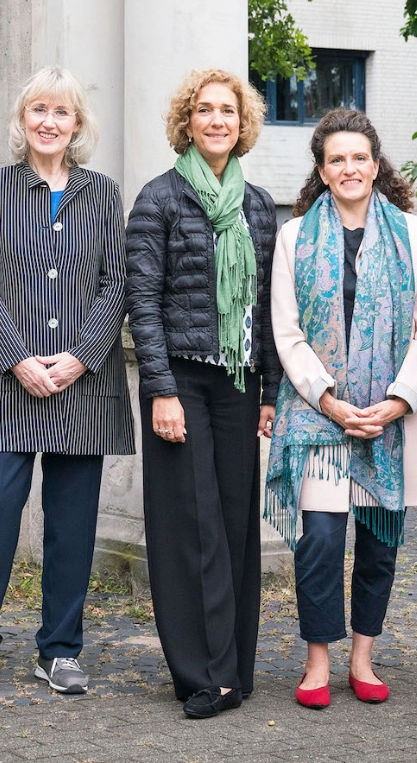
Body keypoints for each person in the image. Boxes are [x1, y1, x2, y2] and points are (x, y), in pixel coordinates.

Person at [0, 67, 134, 699]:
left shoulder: (104, 194)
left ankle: (59, 649)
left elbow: (118, 284)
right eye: (38, 110)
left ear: (77, 125)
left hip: (82, 386)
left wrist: (82, 356)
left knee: (72, 522)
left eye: (62, 112)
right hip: (8, 385)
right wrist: (16, 357)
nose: (49, 122)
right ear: (21, 121)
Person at [264, 108, 417, 710]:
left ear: (376, 166)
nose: (349, 167)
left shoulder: (412, 234)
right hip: (318, 416)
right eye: (336, 158)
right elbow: (286, 332)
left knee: (378, 543)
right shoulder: (294, 237)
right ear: (321, 169)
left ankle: (362, 658)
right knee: (319, 540)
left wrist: (395, 403)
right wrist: (328, 399)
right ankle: (317, 660)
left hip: (387, 420)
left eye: (359, 158)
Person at [124, 68, 280, 720]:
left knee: (238, 526)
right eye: (205, 111)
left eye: (228, 111)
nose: (217, 121)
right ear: (186, 124)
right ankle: (201, 673)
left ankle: (234, 667)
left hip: (240, 383)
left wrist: (270, 391)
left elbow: (268, 304)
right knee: (193, 527)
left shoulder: (260, 204)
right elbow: (143, 301)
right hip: (181, 380)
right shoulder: (158, 199)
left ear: (243, 125)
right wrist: (160, 390)